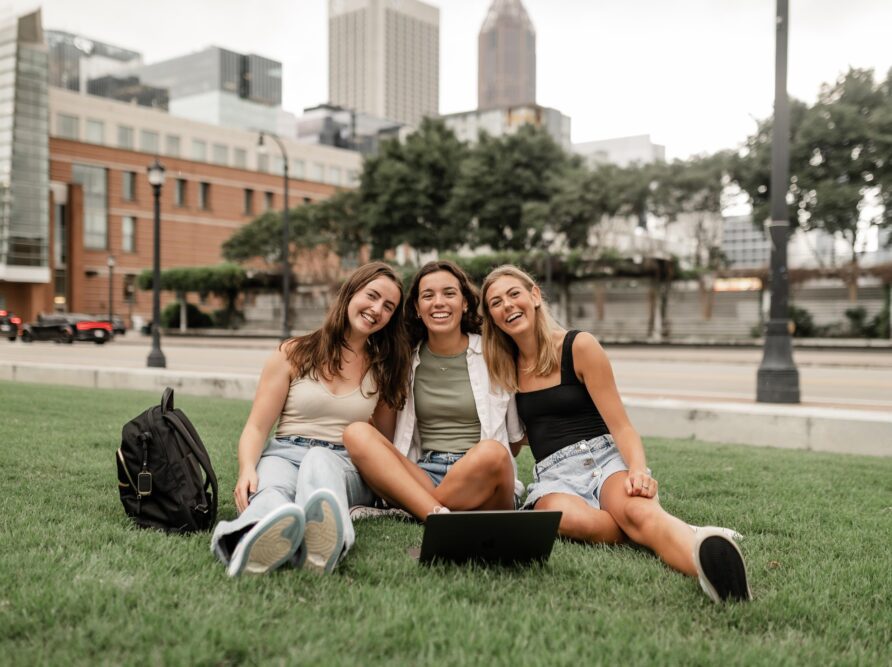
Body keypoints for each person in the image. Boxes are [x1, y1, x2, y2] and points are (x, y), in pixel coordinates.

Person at [480, 265, 751, 603]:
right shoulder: (501, 368)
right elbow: (514, 439)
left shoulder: (579, 346)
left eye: (513, 294)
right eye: (495, 302)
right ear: (490, 317)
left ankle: (718, 579)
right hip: (554, 476)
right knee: (561, 520)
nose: (507, 305)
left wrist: (637, 469)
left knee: (637, 512)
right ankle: (676, 529)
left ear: (534, 296)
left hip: (603, 459)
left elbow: (621, 424)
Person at [210, 261, 411, 577]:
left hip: (345, 463)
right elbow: (257, 426)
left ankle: (327, 544)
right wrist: (247, 468)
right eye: (371, 296)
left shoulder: (384, 369)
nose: (377, 309)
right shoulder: (293, 353)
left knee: (320, 460)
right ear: (350, 293)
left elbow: (381, 443)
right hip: (285, 453)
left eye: (388, 306)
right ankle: (244, 539)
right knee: (272, 490)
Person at [343, 260, 522, 519]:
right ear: (417, 308)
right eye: (428, 296)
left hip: (481, 474)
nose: (438, 302)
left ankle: (412, 508)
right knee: (357, 433)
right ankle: (436, 513)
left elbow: (513, 444)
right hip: (426, 474)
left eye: (449, 293)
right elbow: (386, 435)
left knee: (493, 452)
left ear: (465, 303)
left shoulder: (495, 353)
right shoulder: (405, 362)